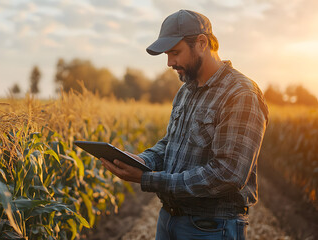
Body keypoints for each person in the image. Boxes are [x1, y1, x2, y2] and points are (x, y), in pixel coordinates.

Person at [100, 9, 269, 239]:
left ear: (201, 43)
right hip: (169, 220)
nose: (170, 62)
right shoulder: (185, 90)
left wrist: (147, 179)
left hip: (210, 227)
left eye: (175, 52)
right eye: (167, 55)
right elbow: (170, 143)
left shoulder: (240, 93)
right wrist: (142, 161)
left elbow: (227, 173)